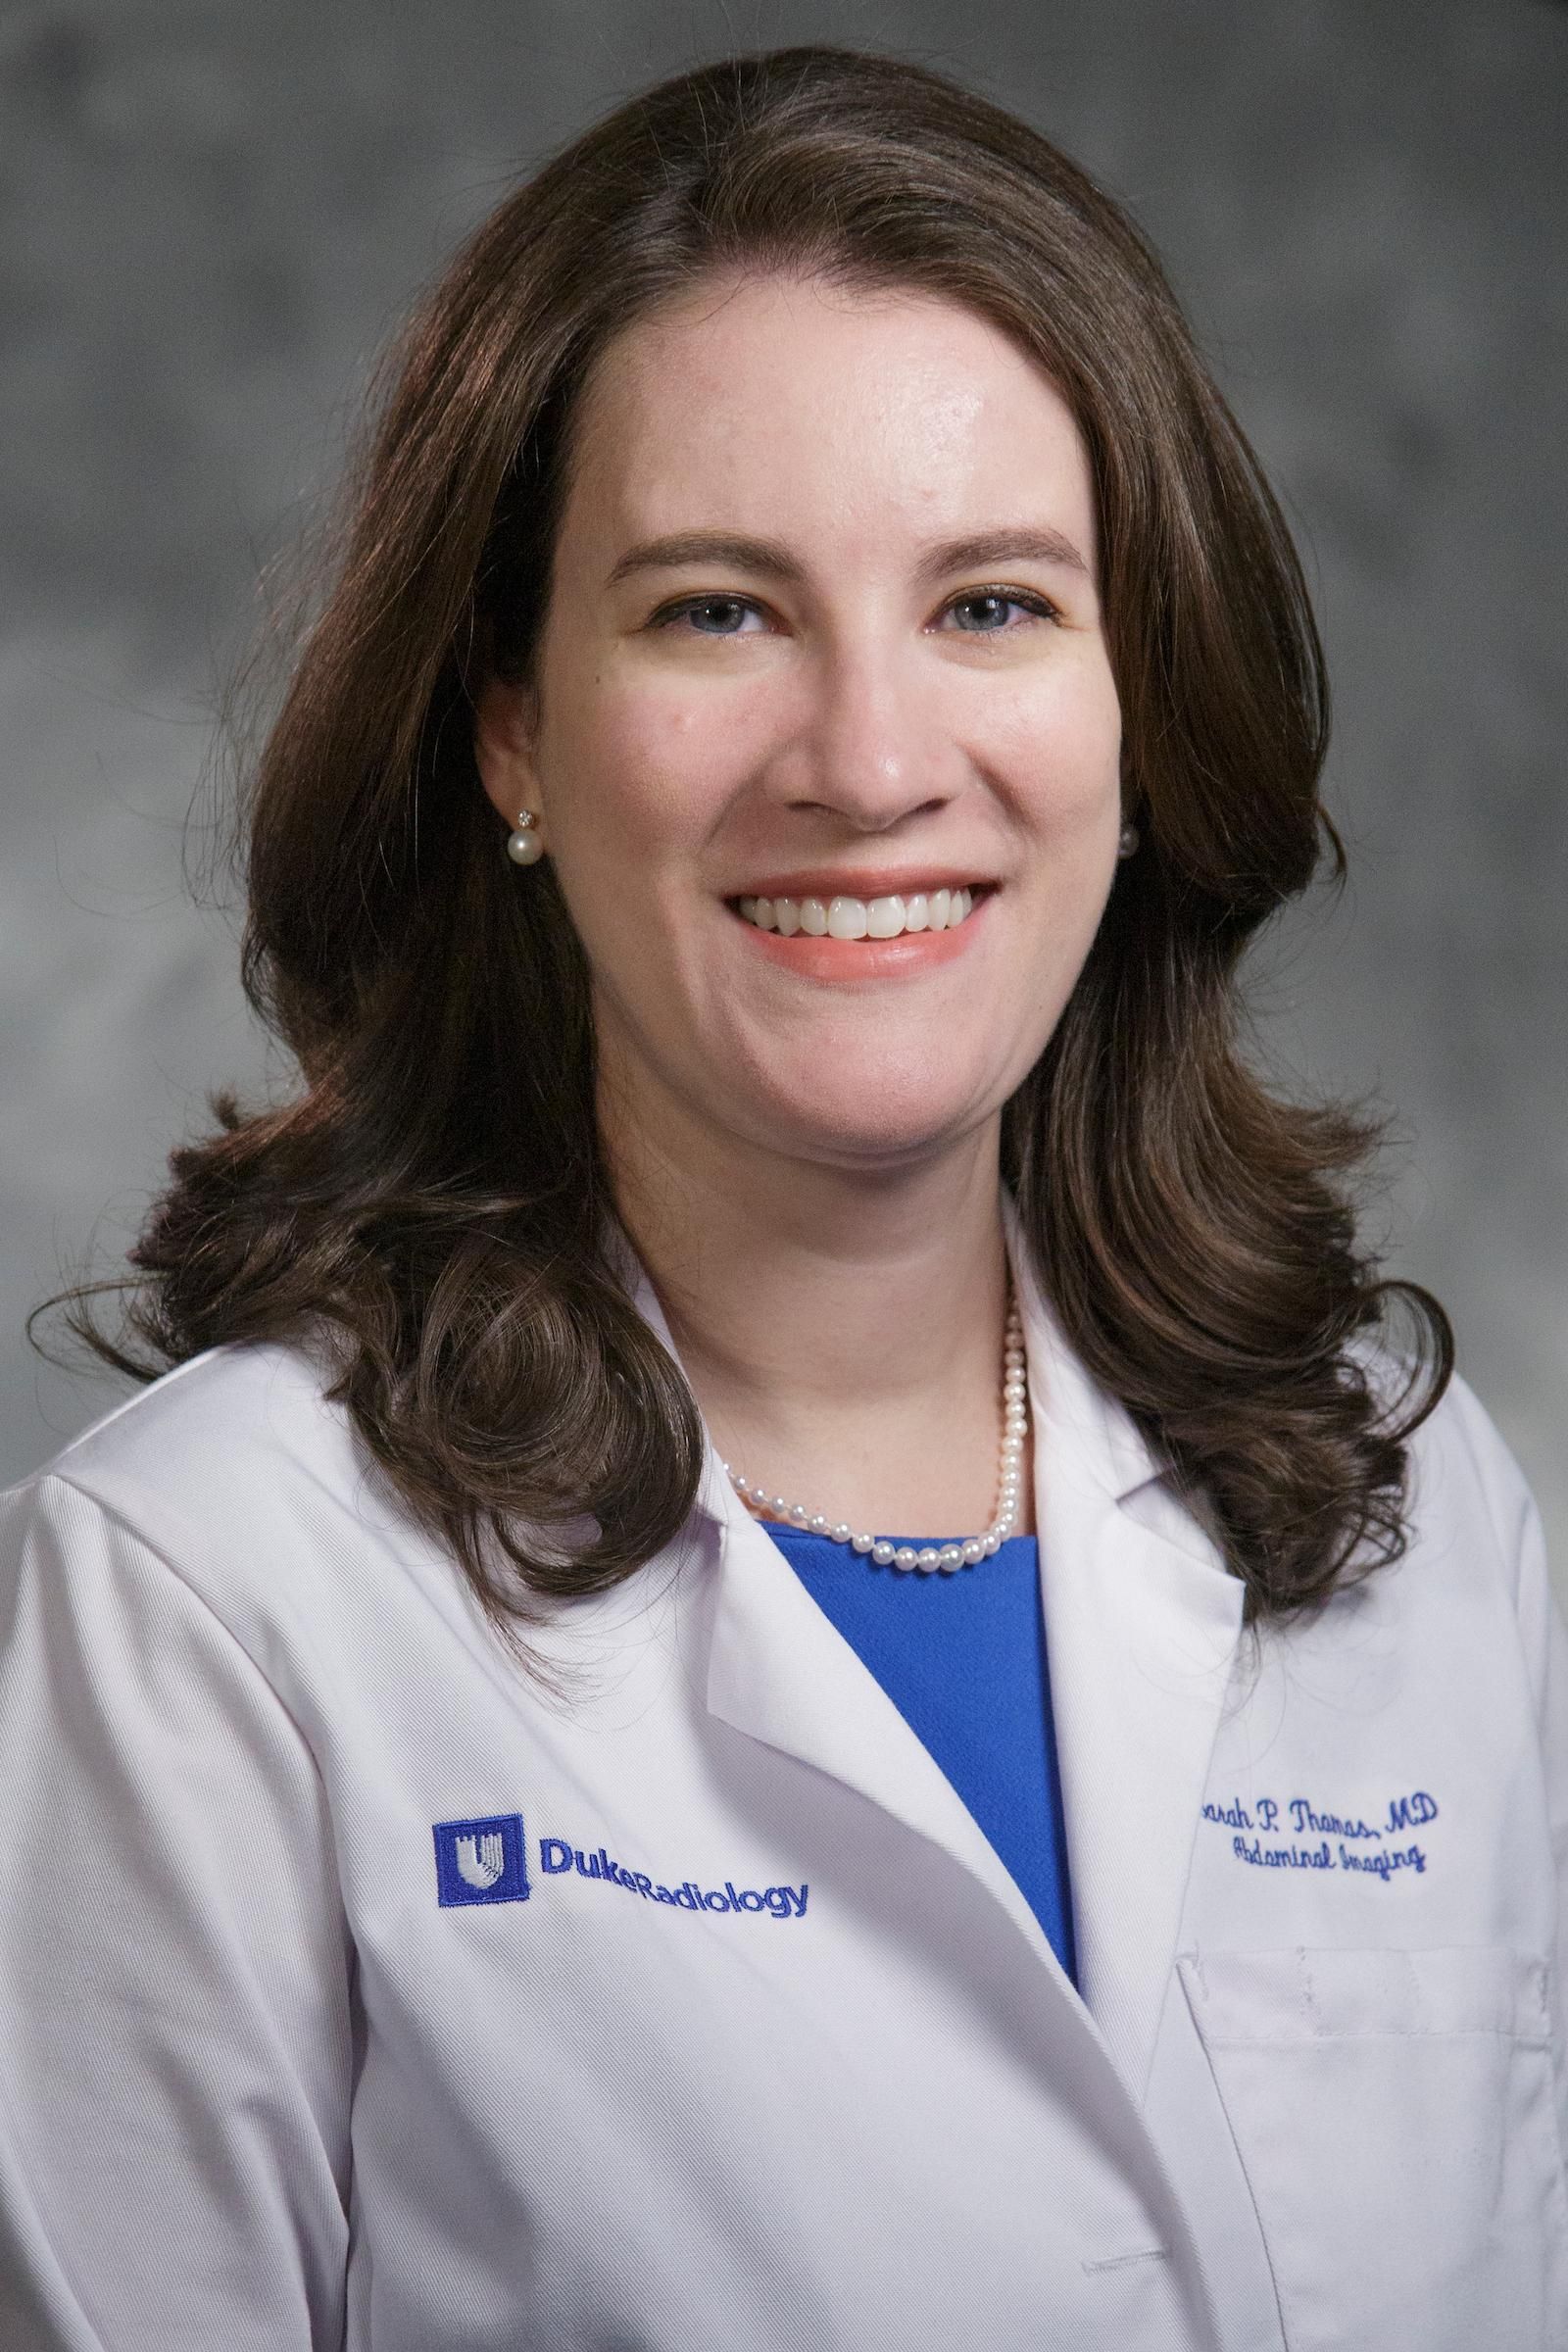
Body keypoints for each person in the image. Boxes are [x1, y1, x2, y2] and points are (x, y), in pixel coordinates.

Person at [1, 42, 1562, 2352]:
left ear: (1138, 715)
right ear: (514, 729)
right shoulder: (207, 1604)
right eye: (716, 611)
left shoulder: (1415, 1519)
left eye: (991, 606)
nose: (867, 761)